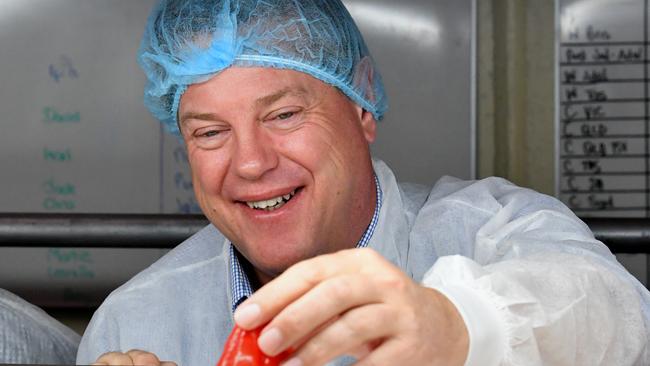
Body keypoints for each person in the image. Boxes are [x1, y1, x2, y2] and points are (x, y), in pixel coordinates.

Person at [78, 1, 650, 365]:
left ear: (361, 108)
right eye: (209, 132)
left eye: (284, 116)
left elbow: (618, 317)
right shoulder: (135, 324)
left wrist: (461, 327)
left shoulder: (494, 229)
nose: (249, 163)